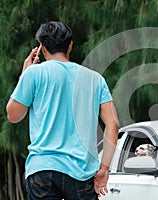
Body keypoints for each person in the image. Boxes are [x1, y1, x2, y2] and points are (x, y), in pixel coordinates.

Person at [6, 21, 119, 199]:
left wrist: (24, 73)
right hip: (82, 174)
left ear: (42, 47)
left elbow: (13, 115)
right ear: (70, 45)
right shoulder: (95, 80)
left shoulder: (34, 73)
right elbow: (113, 125)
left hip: (43, 170)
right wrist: (104, 168)